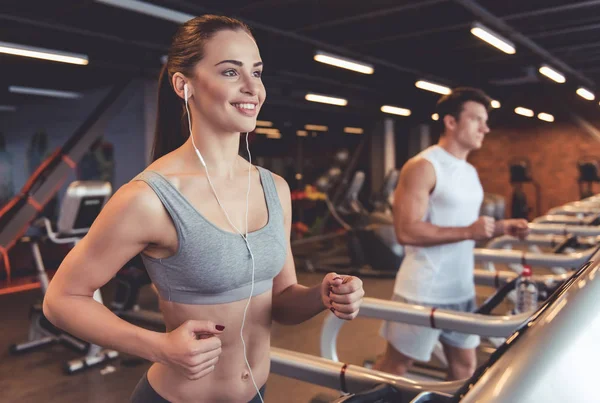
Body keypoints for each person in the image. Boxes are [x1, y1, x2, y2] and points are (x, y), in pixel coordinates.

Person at [43, 15, 364, 403]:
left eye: (257, 72)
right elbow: (62, 299)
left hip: (258, 392)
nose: (252, 88)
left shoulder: (273, 188)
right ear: (184, 85)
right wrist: (159, 346)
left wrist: (322, 295)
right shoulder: (150, 198)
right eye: (231, 71)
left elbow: (281, 300)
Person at [373, 87, 529, 380]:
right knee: (395, 367)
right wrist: (470, 230)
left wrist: (500, 227)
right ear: (451, 122)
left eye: (486, 120)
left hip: (461, 287)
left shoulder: (469, 171)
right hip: (423, 289)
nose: (486, 127)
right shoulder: (424, 166)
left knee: (465, 368)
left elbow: (460, 225)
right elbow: (406, 231)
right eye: (477, 119)